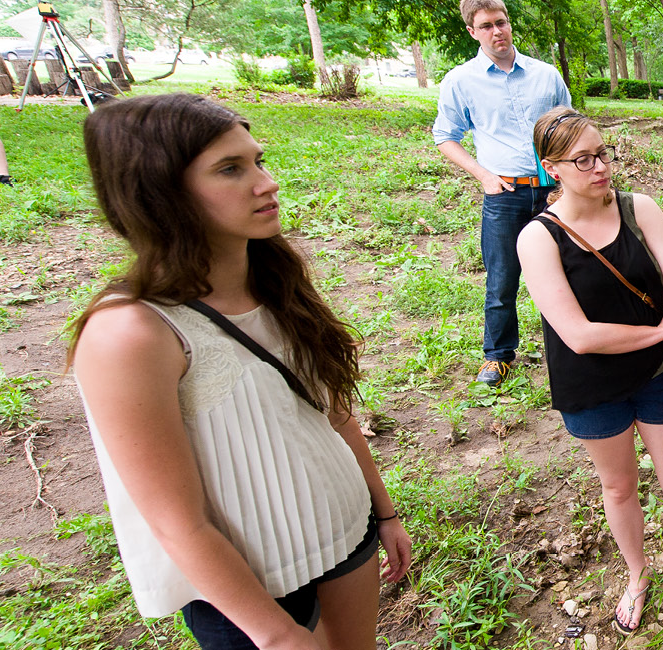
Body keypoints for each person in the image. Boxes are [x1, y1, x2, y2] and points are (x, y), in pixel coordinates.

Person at [70, 93, 413, 649]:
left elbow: (333, 413)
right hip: (253, 589)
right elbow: (175, 519)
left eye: (258, 160)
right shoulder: (132, 333)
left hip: (347, 535)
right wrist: (273, 634)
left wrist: (384, 512)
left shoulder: (276, 283)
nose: (266, 182)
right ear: (158, 192)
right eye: (231, 169)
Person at [519, 108, 663, 634]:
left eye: (603, 153)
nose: (600, 167)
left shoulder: (640, 209)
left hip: (660, 379)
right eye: (582, 159)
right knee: (619, 488)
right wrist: (661, 332)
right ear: (552, 169)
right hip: (592, 389)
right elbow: (579, 334)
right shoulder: (537, 238)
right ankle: (637, 573)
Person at [433, 0, 572, 387]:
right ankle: (498, 356)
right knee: (502, 278)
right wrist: (482, 175)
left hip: (552, 192)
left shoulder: (545, 75)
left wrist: (566, 180)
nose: (498, 31)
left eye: (502, 22)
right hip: (505, 193)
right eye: (487, 25)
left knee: (567, 271)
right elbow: (445, 136)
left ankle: (569, 345)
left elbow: (567, 126)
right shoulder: (461, 81)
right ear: (472, 32)